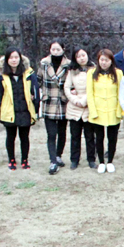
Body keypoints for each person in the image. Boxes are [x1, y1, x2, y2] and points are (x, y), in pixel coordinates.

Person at [0, 47, 39, 171]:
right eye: (11, 58)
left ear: (20, 59)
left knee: (25, 137)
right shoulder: (1, 76)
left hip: (25, 110)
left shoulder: (28, 74)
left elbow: (35, 91)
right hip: (9, 111)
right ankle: (11, 160)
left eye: (16, 57)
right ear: (7, 59)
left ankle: (25, 160)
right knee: (10, 137)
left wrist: (35, 108)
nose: (14, 60)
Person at [86, 49, 124, 174]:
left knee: (112, 137)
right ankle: (101, 161)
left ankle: (110, 161)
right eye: (101, 60)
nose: (104, 62)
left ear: (111, 61)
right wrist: (93, 111)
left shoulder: (118, 73)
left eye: (106, 60)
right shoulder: (91, 73)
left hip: (113, 110)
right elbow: (90, 94)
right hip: (98, 110)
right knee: (99, 138)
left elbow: (121, 93)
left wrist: (119, 111)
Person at [37, 40, 70, 175]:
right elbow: (38, 79)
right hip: (49, 102)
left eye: (58, 49)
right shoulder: (44, 63)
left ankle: (58, 155)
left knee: (62, 132)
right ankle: (53, 161)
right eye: (53, 49)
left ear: (63, 49)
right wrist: (44, 92)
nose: (55, 52)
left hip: (63, 102)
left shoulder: (68, 65)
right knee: (51, 134)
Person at [63, 47, 96, 169]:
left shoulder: (93, 69)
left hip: (88, 106)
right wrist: (75, 100)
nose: (81, 58)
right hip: (74, 108)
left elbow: (94, 87)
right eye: (78, 56)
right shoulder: (72, 71)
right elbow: (67, 88)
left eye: (83, 55)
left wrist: (84, 101)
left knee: (90, 136)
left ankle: (91, 159)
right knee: (75, 136)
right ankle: (74, 160)